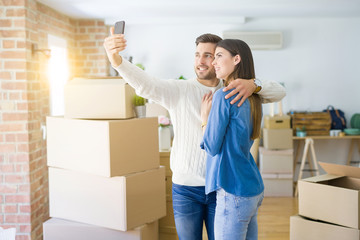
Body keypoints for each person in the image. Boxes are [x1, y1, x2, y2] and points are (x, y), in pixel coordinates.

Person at [103, 30, 285, 240]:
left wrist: (254, 84)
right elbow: (145, 85)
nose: (201, 61)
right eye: (197, 54)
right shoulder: (179, 90)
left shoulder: (234, 91)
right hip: (186, 189)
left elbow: (279, 91)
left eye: (210, 55)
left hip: (220, 187)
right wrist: (117, 60)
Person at [200, 39, 264, 240]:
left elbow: (211, 146)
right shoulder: (254, 97)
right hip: (252, 187)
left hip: (232, 190)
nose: (213, 63)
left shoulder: (223, 95)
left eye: (219, 56)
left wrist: (205, 120)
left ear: (236, 59)